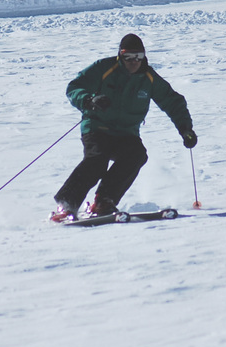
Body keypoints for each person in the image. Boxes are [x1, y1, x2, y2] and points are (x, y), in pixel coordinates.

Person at [52, 33, 197, 221]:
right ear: (120, 55)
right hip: (97, 127)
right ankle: (66, 204)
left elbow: (172, 101)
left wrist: (185, 129)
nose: (133, 62)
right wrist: (89, 100)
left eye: (138, 57)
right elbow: (74, 87)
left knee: (136, 155)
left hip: (126, 133)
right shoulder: (104, 68)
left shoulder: (149, 78)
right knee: (97, 159)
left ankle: (104, 201)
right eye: (128, 57)